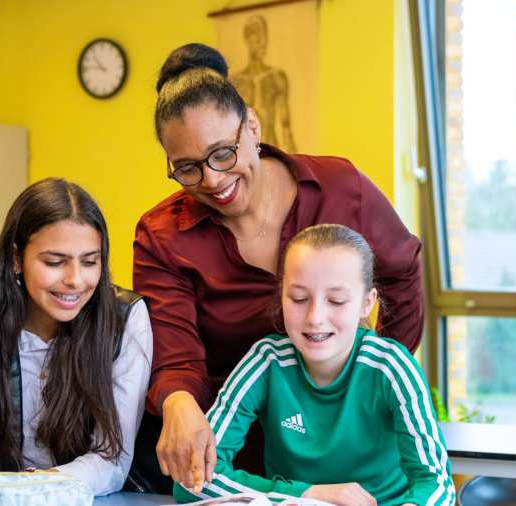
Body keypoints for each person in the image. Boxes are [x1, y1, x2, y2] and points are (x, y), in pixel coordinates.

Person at [133, 43, 424, 493]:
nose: (211, 180)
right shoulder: (163, 235)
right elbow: (176, 352)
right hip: (235, 455)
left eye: (222, 154)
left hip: (352, 453)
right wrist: (178, 403)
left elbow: (402, 276)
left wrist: (367, 381)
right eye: (187, 168)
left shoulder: (340, 188)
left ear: (252, 125)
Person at [175, 224, 453, 506]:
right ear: (281, 296)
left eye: (336, 300)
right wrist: (306, 492)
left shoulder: (391, 367)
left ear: (366, 304)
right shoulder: (265, 361)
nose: (315, 317)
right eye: (299, 299)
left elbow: (437, 485)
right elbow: (192, 480)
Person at [0, 178, 153, 496]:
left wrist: (26, 487)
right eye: (54, 262)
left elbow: (110, 461)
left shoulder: (124, 319)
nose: (75, 280)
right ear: (17, 258)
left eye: (89, 261)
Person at [230, 15, 297, 152]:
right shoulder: (237, 82)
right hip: (245, 149)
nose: (263, 43)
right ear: (248, 40)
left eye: (264, 37)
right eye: (258, 37)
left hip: (270, 147)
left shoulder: (276, 77)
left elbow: (286, 127)